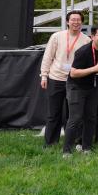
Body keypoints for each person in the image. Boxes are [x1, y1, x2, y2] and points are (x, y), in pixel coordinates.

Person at [40, 10, 91, 147]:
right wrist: (44, 75)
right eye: (73, 20)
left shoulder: (86, 40)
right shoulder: (57, 36)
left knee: (74, 115)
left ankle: (74, 142)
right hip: (56, 78)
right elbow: (47, 56)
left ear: (82, 22)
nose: (76, 22)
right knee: (53, 113)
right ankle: (50, 142)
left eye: (78, 20)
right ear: (67, 22)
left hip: (75, 81)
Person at [62, 24, 98, 156]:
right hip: (76, 87)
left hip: (93, 88)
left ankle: (86, 148)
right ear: (92, 36)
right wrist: (95, 69)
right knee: (75, 118)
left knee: (91, 118)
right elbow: (73, 73)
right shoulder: (83, 51)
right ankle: (67, 151)